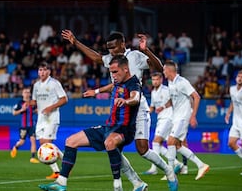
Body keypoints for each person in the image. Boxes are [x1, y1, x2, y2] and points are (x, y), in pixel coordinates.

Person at [62, 29, 178, 191]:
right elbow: (96, 57)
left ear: (122, 44)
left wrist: (146, 50)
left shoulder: (136, 56)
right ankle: (137, 183)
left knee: (142, 149)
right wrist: (75, 42)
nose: (111, 51)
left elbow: (158, 67)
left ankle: (168, 171)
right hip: (120, 108)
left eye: (114, 47)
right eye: (108, 48)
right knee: (112, 146)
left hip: (137, 106)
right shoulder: (111, 59)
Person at [38, 56, 142, 191]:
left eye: (115, 72)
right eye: (111, 72)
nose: (113, 75)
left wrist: (126, 101)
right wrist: (96, 91)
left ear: (126, 69)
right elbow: (112, 86)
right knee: (71, 141)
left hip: (124, 129)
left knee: (110, 143)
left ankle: (117, 185)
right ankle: (61, 183)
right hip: (109, 126)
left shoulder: (133, 83)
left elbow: (135, 97)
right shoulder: (118, 81)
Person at [163, 60, 210, 180]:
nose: (163, 72)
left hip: (183, 117)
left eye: (164, 70)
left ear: (169, 70)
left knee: (170, 141)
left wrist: (193, 116)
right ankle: (201, 165)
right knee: (177, 145)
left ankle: (170, 172)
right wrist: (163, 107)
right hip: (176, 117)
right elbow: (175, 100)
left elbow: (196, 97)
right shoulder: (170, 82)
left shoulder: (182, 82)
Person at [30, 62, 68, 180]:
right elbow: (35, 101)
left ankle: (64, 168)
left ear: (49, 72)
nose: (42, 72)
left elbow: (64, 99)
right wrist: (29, 103)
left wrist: (50, 108)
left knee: (47, 144)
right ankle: (61, 168)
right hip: (41, 118)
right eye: (40, 70)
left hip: (52, 117)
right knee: (44, 145)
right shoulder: (36, 85)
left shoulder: (54, 84)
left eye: (44, 70)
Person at [142, 72, 183, 175]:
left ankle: (154, 168)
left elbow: (173, 100)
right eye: (153, 79)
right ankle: (177, 163)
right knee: (158, 144)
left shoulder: (166, 90)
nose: (155, 81)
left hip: (168, 117)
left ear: (161, 80)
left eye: (157, 79)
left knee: (156, 142)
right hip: (161, 119)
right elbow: (152, 107)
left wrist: (163, 107)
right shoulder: (153, 92)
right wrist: (145, 112)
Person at [10, 87, 39, 163]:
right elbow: (13, 113)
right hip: (23, 126)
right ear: (22, 94)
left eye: (28, 92)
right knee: (22, 142)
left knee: (33, 140)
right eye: (25, 92)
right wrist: (21, 110)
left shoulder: (32, 103)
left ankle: (32, 157)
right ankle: (15, 147)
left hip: (32, 125)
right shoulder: (20, 103)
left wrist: (37, 111)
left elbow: (36, 110)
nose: (27, 93)